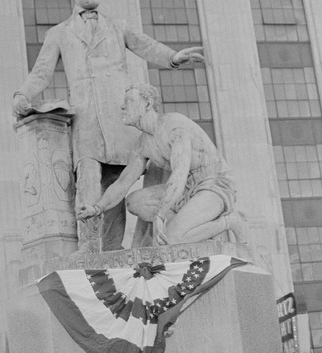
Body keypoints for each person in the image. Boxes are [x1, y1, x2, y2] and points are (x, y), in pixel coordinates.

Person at [12, 0, 204, 252]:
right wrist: (23, 95)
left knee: (117, 189)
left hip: (120, 124)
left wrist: (173, 57)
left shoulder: (117, 27)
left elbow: (146, 46)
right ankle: (88, 253)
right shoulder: (60, 33)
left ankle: (112, 255)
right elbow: (41, 72)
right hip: (86, 125)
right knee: (88, 183)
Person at [77, 83, 246, 246]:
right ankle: (187, 228)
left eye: (128, 101)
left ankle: (229, 221)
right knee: (135, 201)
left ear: (147, 104)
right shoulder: (143, 143)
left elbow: (179, 174)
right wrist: (97, 208)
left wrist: (160, 214)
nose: (122, 107)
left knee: (171, 238)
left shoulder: (174, 127)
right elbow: (123, 183)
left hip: (213, 185)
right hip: (184, 190)